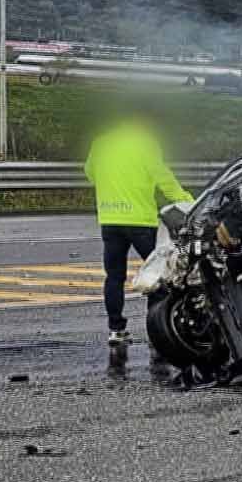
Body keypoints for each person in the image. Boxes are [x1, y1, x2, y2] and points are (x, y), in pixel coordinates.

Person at [84, 115, 191, 343]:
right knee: (156, 275)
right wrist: (185, 201)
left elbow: (90, 174)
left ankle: (116, 329)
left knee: (114, 277)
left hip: (110, 218)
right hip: (141, 221)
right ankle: (156, 332)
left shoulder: (101, 143)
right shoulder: (146, 143)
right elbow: (163, 177)